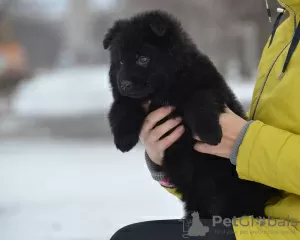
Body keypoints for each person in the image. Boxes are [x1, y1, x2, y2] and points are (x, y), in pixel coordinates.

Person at [110, 0, 300, 239]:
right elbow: (253, 169)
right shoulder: (287, 26)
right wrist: (167, 159)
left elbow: (247, 146)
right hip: (264, 214)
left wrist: (245, 143)